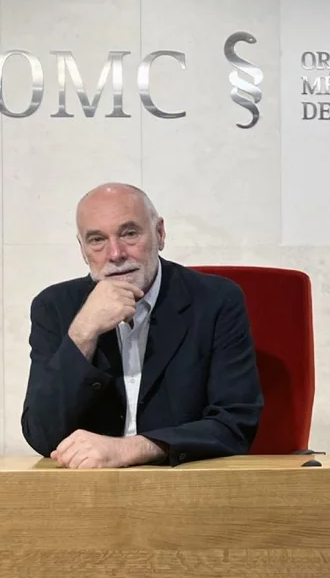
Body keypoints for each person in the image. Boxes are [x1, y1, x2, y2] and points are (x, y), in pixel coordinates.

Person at [21, 183, 263, 468]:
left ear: (160, 234)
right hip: (90, 492)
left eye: (129, 233)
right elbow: (41, 435)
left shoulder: (216, 300)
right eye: (97, 240)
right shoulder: (54, 307)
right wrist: (83, 333)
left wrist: (132, 449)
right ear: (83, 250)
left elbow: (235, 424)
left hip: (186, 486)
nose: (115, 253)